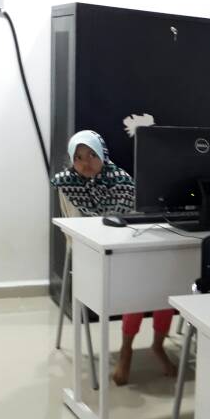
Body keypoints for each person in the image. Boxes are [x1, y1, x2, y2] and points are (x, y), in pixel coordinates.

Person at [51, 130, 177, 386]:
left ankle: (157, 344)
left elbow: (137, 220)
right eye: (78, 157)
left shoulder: (122, 181)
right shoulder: (67, 184)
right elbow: (75, 229)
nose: (85, 163)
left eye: (92, 155)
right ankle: (126, 349)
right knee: (138, 291)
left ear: (103, 155)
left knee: (164, 287)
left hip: (127, 249)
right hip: (90, 254)